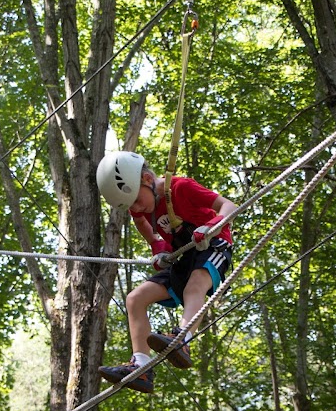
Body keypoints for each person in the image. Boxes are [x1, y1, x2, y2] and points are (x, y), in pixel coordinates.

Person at [97, 151, 236, 393]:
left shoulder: (181, 188)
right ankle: (141, 366)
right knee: (134, 299)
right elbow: (141, 221)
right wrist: (157, 245)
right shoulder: (138, 204)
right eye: (131, 205)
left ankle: (182, 339)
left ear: (148, 180)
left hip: (213, 246)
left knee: (195, 286)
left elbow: (229, 205)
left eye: (138, 201)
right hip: (183, 255)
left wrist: (212, 226)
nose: (136, 208)